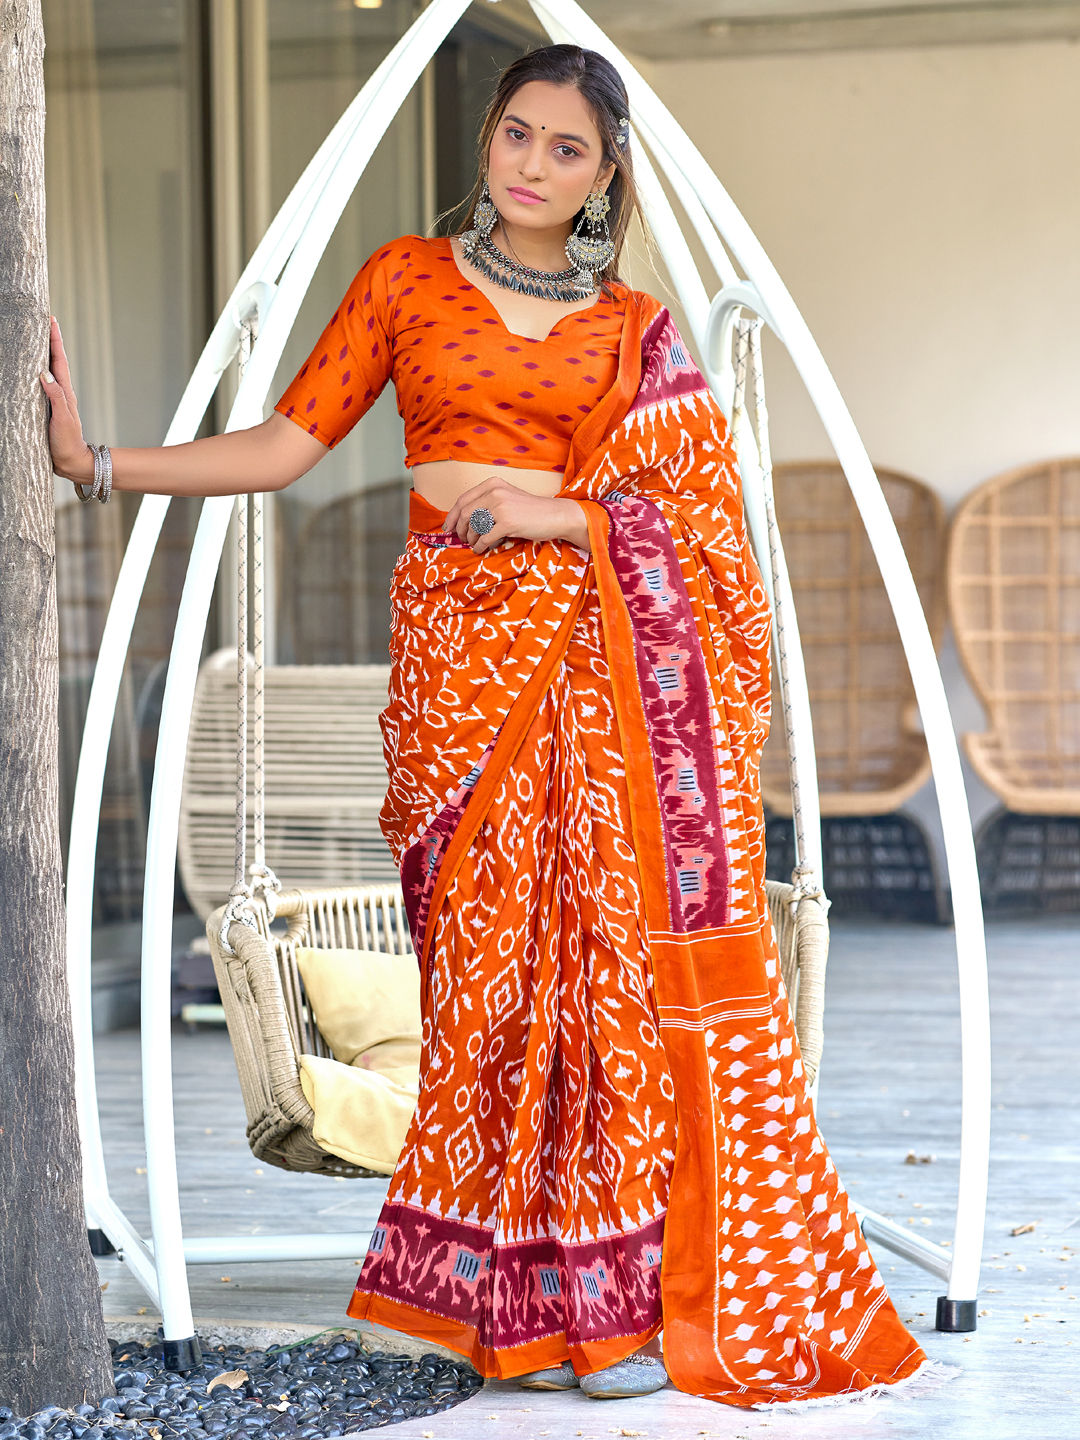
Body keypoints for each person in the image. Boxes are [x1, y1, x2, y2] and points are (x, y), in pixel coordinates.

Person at [44, 43, 934, 1409]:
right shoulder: (404, 279)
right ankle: (510, 1306)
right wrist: (97, 462)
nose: (531, 164)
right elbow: (284, 445)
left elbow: (704, 533)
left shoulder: (638, 331)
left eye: (566, 148)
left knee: (605, 987)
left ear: (604, 176)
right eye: (516, 132)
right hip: (459, 678)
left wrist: (553, 512)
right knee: (488, 987)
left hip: (597, 679)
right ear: (487, 137)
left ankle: (614, 1315)